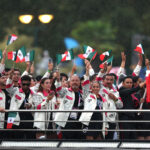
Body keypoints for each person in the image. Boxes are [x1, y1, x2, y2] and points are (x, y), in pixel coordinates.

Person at [54, 72, 88, 139]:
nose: (75, 82)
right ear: (69, 83)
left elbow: (87, 85)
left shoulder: (83, 93)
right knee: (67, 142)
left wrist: (87, 72)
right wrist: (58, 80)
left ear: (79, 83)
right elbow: (59, 89)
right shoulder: (65, 91)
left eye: (77, 80)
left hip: (79, 122)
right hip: (67, 122)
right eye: (73, 80)